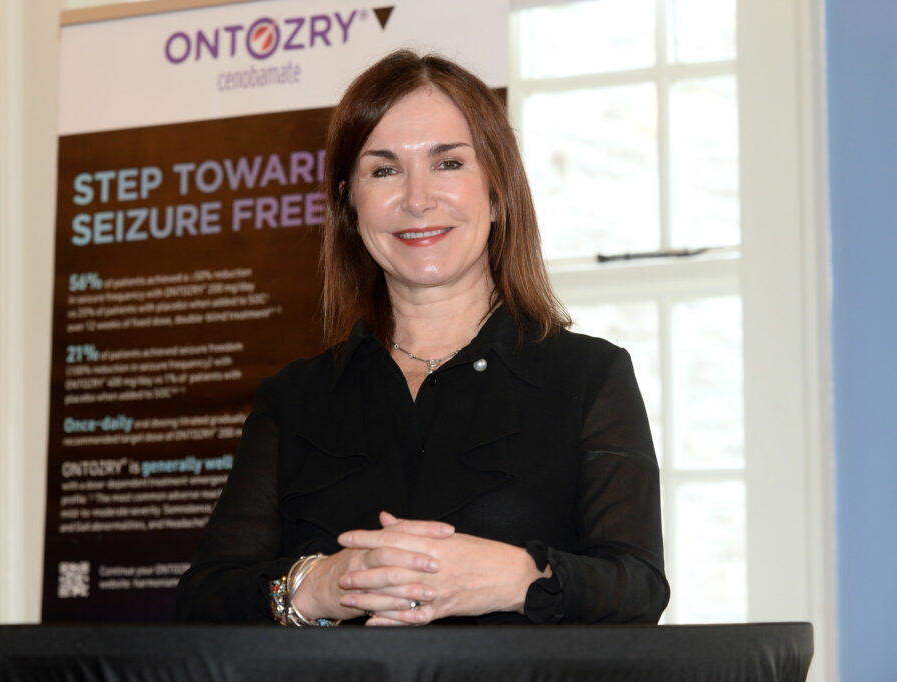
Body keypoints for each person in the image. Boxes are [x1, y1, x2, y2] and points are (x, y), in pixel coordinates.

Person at [174, 50, 669, 626]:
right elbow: (202, 601)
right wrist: (316, 586)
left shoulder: (590, 378)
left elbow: (638, 588)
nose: (417, 199)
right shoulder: (293, 399)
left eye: (448, 163)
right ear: (349, 203)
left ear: (497, 192)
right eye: (384, 171)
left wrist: (517, 579)